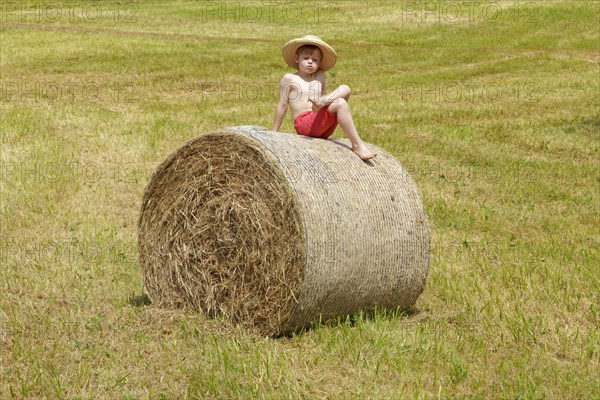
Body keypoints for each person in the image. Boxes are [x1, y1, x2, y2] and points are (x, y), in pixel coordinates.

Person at [273, 35, 377, 160]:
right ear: (297, 59)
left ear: (320, 62)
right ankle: (357, 146)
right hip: (304, 125)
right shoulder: (289, 79)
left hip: (320, 122)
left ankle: (322, 103)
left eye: (315, 60)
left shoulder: (320, 75)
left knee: (345, 90)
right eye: (306, 58)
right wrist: (274, 134)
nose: (310, 61)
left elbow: (326, 96)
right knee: (340, 103)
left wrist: (323, 102)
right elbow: (282, 106)